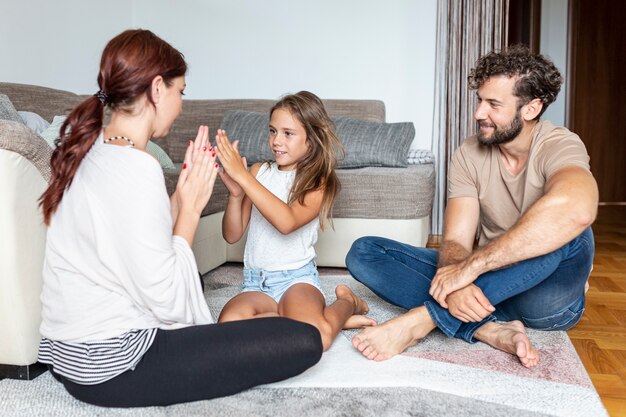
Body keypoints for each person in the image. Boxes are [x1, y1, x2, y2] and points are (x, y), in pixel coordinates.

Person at [37, 29, 322, 408]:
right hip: (115, 367)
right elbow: (169, 300)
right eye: (181, 92)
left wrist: (178, 198)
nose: (182, 105)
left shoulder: (89, 151)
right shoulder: (138, 168)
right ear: (158, 89)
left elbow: (129, 239)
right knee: (304, 340)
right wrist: (189, 211)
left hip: (68, 358)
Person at [345, 45, 598, 367]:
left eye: (493, 104)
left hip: (544, 302)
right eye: (480, 100)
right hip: (487, 289)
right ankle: (489, 330)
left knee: (569, 230)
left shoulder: (559, 144)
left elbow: (577, 209)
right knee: (365, 251)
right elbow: (455, 242)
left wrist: (470, 271)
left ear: (531, 109)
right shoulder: (469, 152)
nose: (479, 113)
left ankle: (423, 320)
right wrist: (458, 277)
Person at [214, 91, 375, 351]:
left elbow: (286, 222)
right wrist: (235, 195)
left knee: (317, 338)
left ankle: (347, 304)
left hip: (296, 281)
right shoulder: (258, 172)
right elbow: (231, 235)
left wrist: (243, 179)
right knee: (228, 330)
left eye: (288, 133)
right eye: (272, 131)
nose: (277, 141)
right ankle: (303, 317)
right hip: (257, 283)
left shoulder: (316, 181)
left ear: (310, 141)